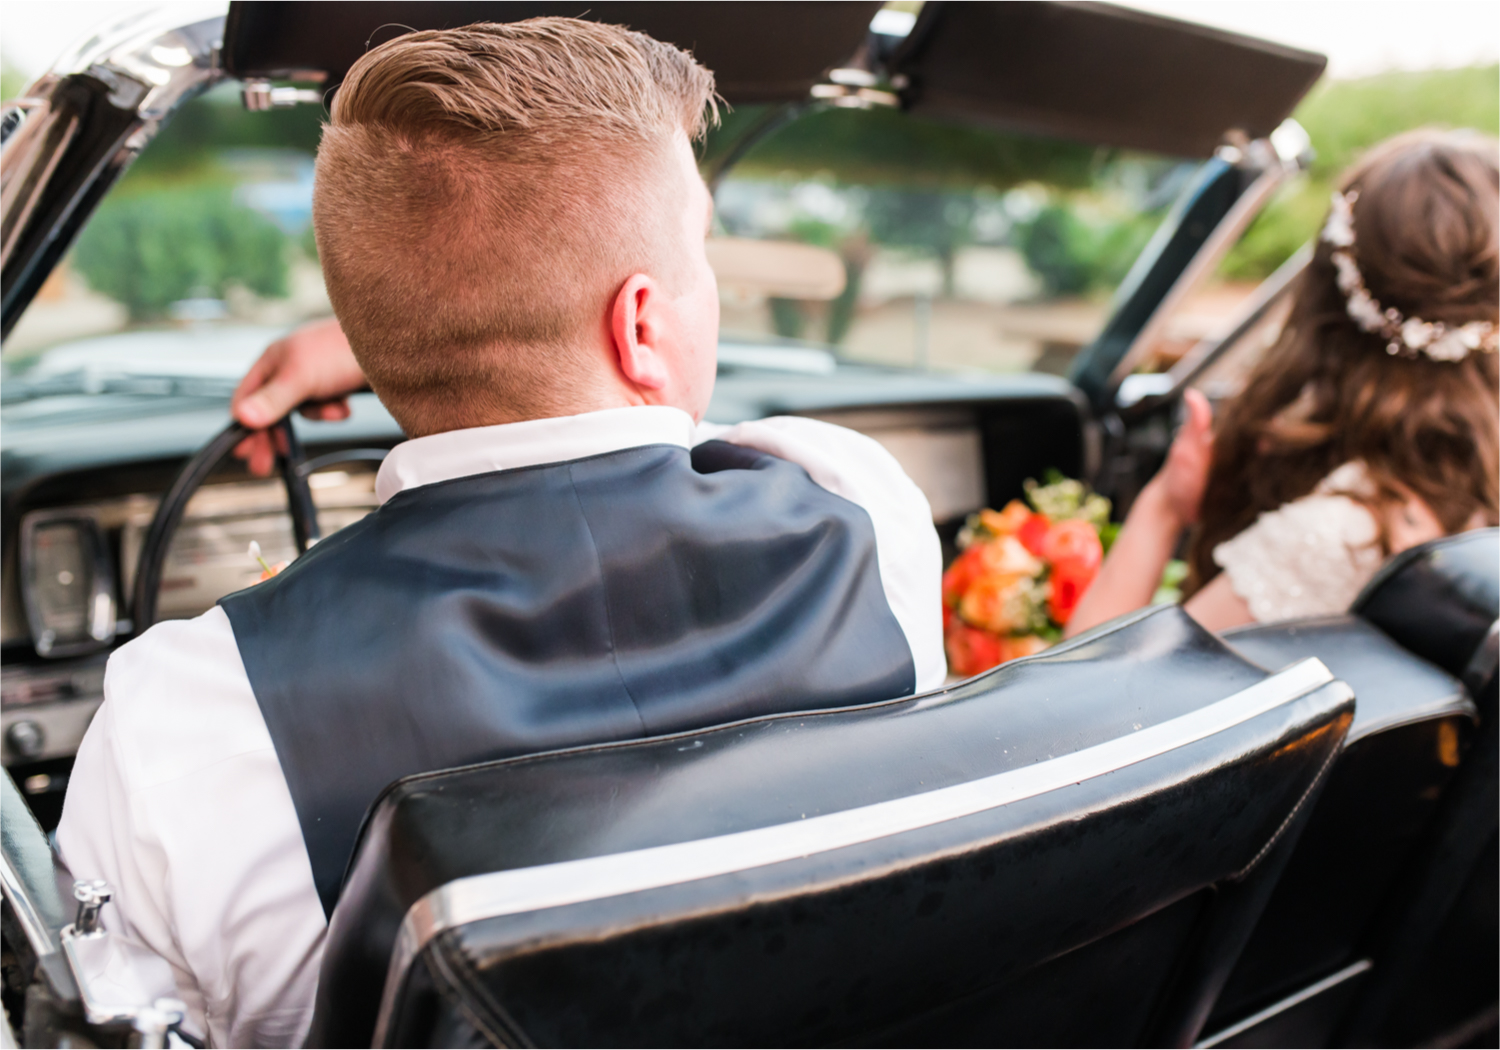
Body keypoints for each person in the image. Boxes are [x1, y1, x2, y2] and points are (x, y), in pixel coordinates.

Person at [56, 20, 943, 1048]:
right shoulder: (859, 508)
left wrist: (423, 332)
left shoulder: (183, 715)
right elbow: (671, 417)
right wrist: (498, 327)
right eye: (700, 254)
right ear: (644, 323)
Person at [1068, 129, 1498, 637]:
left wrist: (1163, 509)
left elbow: (1087, 695)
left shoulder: (1333, 539)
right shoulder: (1470, 492)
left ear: (1328, 289)